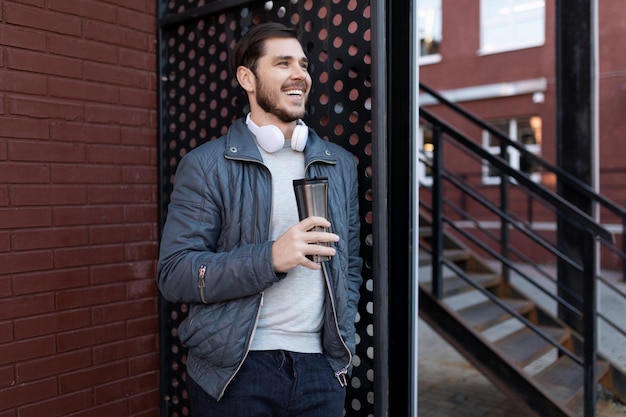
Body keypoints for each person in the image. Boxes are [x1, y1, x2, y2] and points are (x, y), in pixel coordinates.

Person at [157, 22, 363, 417]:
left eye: (302, 64)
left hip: (322, 371)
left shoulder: (340, 165)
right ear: (247, 78)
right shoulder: (207, 166)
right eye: (282, 63)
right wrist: (270, 258)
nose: (299, 74)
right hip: (237, 373)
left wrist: (341, 346)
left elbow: (348, 265)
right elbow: (175, 273)